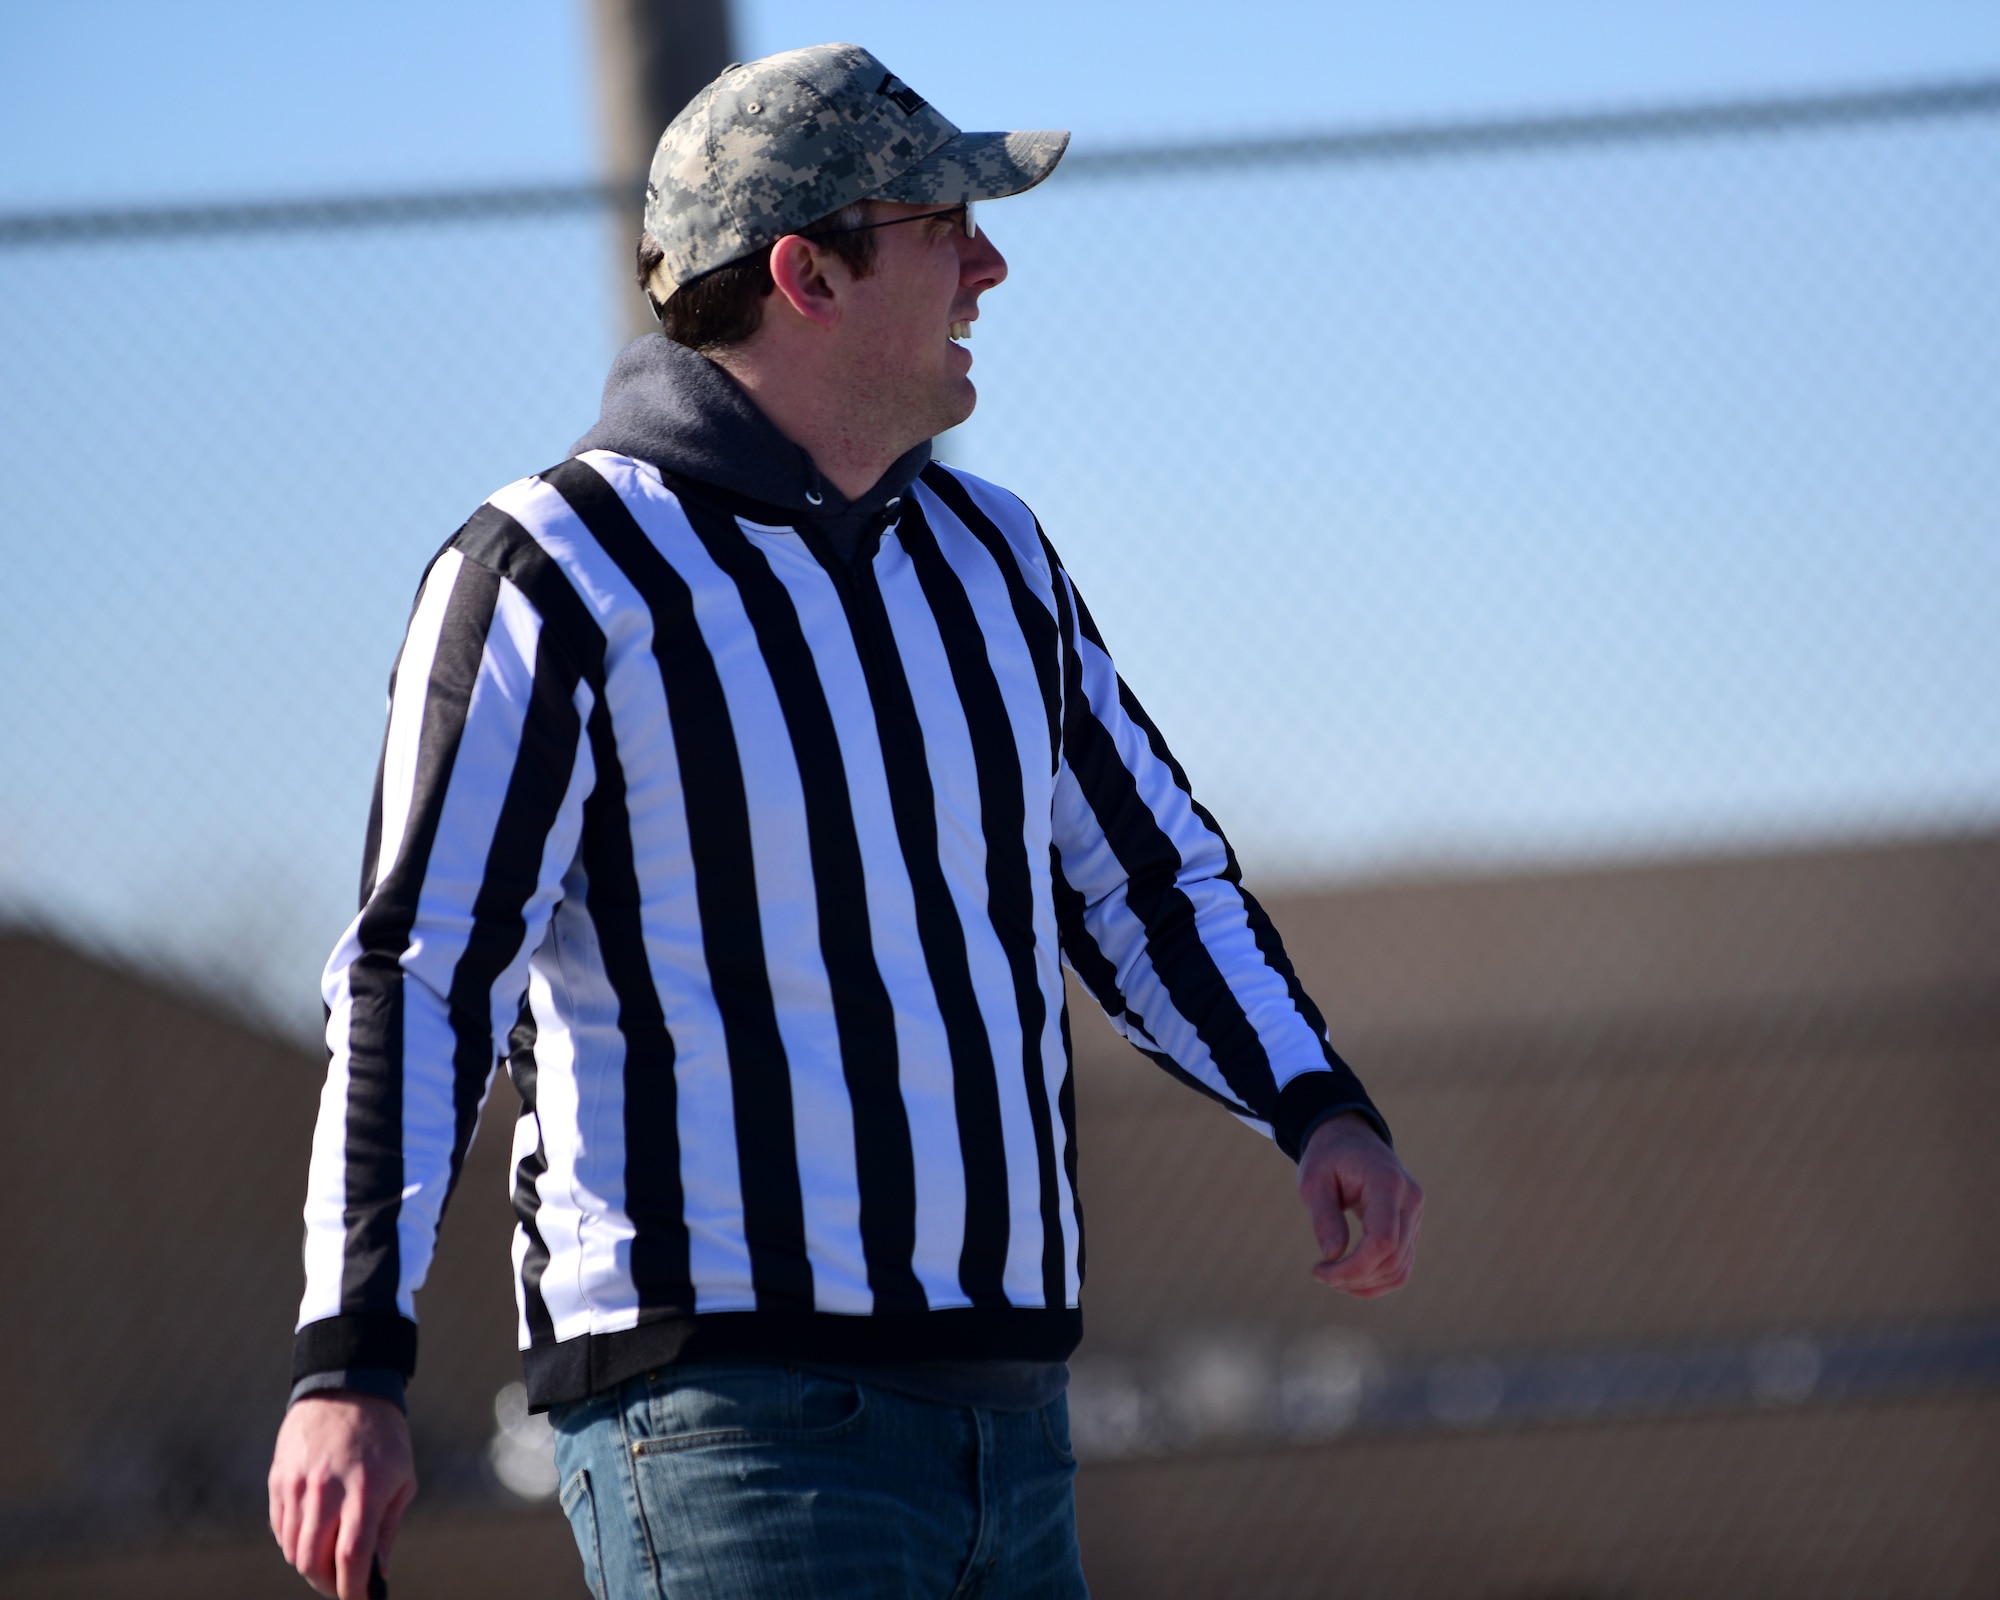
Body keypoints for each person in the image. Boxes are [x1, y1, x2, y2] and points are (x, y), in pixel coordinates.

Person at [268, 42, 1423, 1600]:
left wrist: (1314, 1102)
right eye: (947, 224)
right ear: (806, 273)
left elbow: (1147, 881)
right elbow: (422, 977)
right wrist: (350, 1358)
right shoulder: (554, 572)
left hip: (1014, 1426)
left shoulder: (993, 556)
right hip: (730, 1426)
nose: (991, 264)